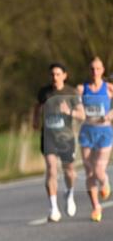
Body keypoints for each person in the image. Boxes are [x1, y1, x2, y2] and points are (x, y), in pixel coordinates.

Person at [34, 63, 82, 222]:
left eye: (58, 74)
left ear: (64, 75)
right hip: (48, 137)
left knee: (69, 171)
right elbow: (37, 106)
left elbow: (82, 115)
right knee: (51, 170)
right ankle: (53, 207)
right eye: (52, 75)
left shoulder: (71, 92)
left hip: (66, 138)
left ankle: (70, 192)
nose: (55, 77)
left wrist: (68, 111)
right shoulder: (44, 92)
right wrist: (35, 121)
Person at [76, 56, 113, 222]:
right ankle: (96, 207)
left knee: (99, 169)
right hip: (87, 132)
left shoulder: (109, 88)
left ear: (103, 70)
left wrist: (110, 115)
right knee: (89, 171)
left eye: (98, 69)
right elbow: (77, 109)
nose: (94, 72)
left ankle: (105, 183)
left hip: (104, 132)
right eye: (92, 69)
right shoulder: (82, 89)